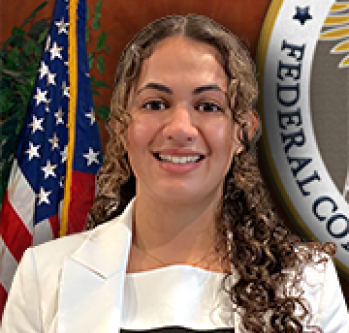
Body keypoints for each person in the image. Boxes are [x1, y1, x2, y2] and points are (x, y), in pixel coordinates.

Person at [2, 14, 348, 333]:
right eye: (155, 104)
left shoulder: (308, 283)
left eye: (208, 106)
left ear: (242, 131)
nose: (180, 128)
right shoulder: (44, 277)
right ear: (122, 126)